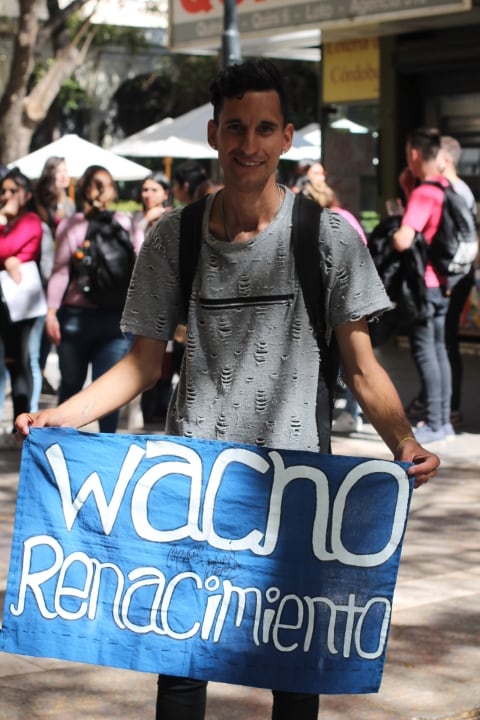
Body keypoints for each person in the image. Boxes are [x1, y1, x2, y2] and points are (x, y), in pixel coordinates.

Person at [17, 60, 440, 719]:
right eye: (236, 128)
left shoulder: (326, 238)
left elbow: (361, 365)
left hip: (297, 491)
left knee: (295, 671)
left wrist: (406, 442)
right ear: (215, 134)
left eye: (265, 128)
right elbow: (142, 366)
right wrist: (60, 416)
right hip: (192, 492)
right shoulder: (172, 238)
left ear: (288, 137)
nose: (249, 144)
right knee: (182, 668)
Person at [43, 165, 135, 433]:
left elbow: (60, 274)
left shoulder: (72, 226)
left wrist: (52, 312)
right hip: (113, 320)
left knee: (71, 387)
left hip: (78, 317)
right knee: (109, 393)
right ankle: (107, 452)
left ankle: (59, 449)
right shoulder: (127, 223)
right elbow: (141, 267)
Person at [393, 127, 455, 444]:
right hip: (444, 282)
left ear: (414, 155)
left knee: (425, 352)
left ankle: (433, 421)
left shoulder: (424, 193)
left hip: (424, 284)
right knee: (440, 349)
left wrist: (393, 235)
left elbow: (405, 239)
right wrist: (408, 188)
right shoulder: (445, 187)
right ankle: (442, 420)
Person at [302, 177, 367, 433]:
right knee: (354, 360)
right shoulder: (345, 216)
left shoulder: (326, 222)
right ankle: (350, 410)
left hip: (339, 300)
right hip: (352, 294)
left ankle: (350, 412)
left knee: (350, 362)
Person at [29, 156, 77, 409]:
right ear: (50, 173)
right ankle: (31, 399)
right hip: (38, 280)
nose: (65, 175)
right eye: (60, 170)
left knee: (49, 344)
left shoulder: (69, 205)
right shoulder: (37, 203)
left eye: (66, 170)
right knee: (35, 347)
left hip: (63, 278)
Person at [0, 168, 43, 441]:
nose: (5, 196)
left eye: (12, 191)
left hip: (22, 305)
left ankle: (22, 427)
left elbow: (5, 247)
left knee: (21, 364)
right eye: (2, 191)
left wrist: (6, 254)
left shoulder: (30, 219)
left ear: (25, 195)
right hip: (4, 305)